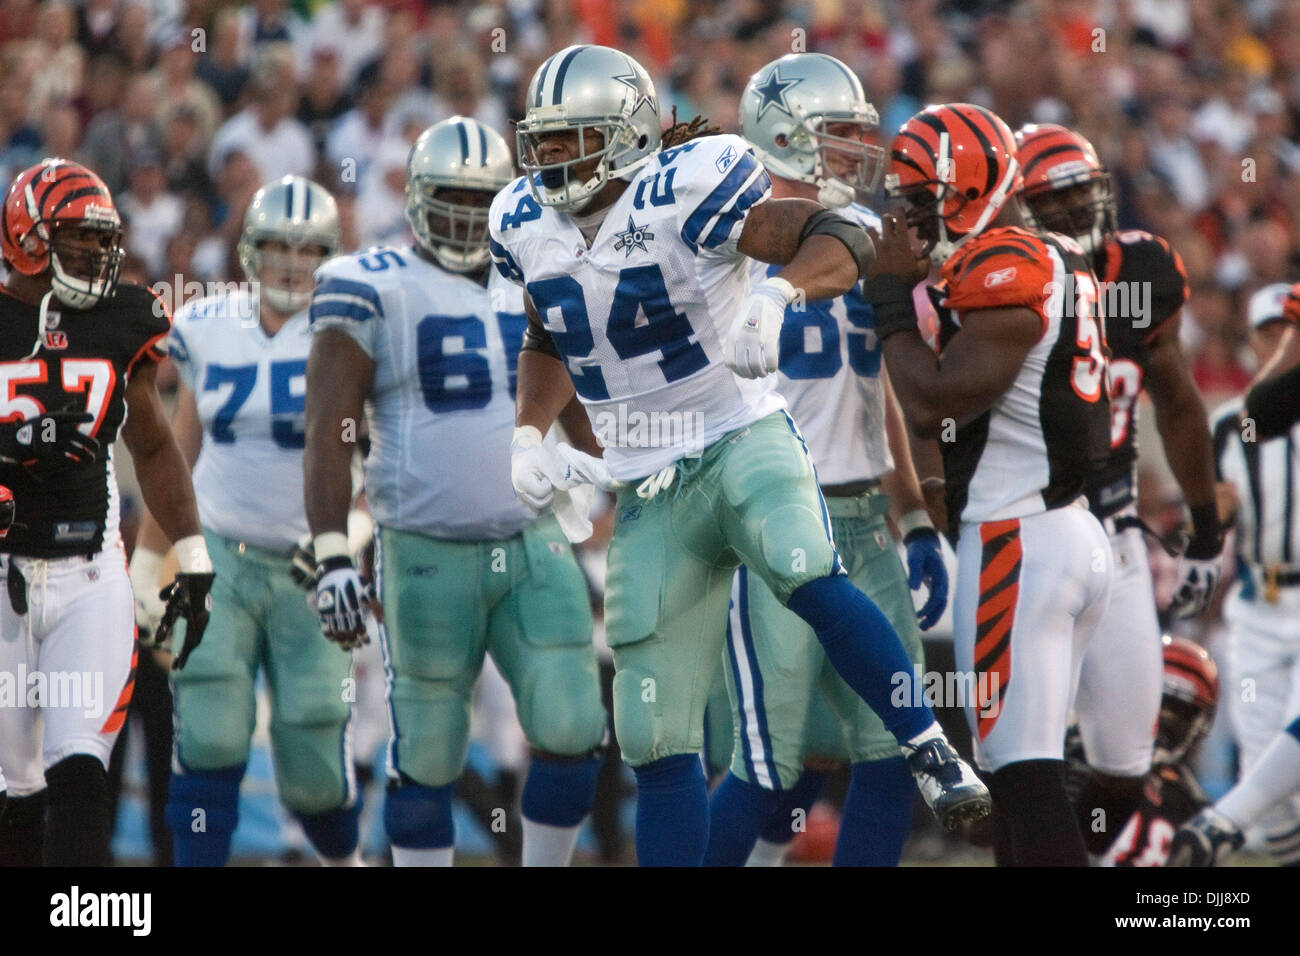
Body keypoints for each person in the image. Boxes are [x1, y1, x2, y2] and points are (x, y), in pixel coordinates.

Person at [490, 44, 988, 867]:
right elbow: (549, 328)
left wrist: (777, 291)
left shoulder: (687, 186)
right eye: (538, 141)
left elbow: (841, 228)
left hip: (738, 437)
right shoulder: (522, 222)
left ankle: (927, 743)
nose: (544, 158)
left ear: (620, 137)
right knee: (654, 733)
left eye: (564, 139)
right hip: (649, 486)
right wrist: (529, 427)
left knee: (805, 567)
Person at [304, 116, 608, 867]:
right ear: (414, 197)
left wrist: (633, 489)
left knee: (575, 732)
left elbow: (578, 407)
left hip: (532, 537)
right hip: (423, 549)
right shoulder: (368, 284)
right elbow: (329, 430)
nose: (471, 217)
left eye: (484, 199)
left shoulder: (536, 272)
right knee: (428, 756)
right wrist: (333, 553)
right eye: (453, 198)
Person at [704, 52, 946, 868]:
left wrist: (910, 513)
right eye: (840, 135)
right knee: (769, 762)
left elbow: (872, 393)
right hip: (773, 516)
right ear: (786, 134)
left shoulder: (866, 236)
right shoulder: (728, 235)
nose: (856, 152)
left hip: (863, 521)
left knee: (894, 751)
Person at [867, 103, 1114, 866]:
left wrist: (885, 297)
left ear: (964, 188)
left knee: (1025, 780)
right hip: (1057, 533)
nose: (906, 215)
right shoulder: (1055, 254)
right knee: (1019, 779)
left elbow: (935, 396)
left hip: (1017, 538)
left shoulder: (1003, 263)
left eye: (918, 198)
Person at [130, 175, 364, 866]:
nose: (291, 261)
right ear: (250, 251)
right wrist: (148, 564)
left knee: (314, 748)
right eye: (277, 245)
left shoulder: (352, 328)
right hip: (219, 561)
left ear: (330, 252)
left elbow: (386, 463)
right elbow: (176, 453)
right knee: (209, 732)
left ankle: (345, 860)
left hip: (309, 564)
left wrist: (346, 542)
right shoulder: (206, 324)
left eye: (307, 247)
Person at [1014, 123, 1223, 857]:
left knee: (1125, 765)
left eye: (1081, 192)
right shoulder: (1004, 276)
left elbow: (1177, 399)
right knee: (1017, 757)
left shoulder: (1140, 270)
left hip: (1118, 529)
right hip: (1024, 525)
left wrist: (1204, 525)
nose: (1074, 211)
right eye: (1053, 198)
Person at [0, 158, 213, 866]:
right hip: (4, 575)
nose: (94, 256)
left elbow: (153, 446)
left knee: (80, 773)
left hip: (90, 572)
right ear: (28, 236)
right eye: (78, 240)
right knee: (14, 790)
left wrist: (194, 554)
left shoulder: (122, 321)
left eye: (101, 241)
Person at [1179, 283, 1300, 867]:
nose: (1284, 342)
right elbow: (1213, 508)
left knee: (1292, 743)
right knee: (1261, 766)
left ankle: (1218, 825)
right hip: (1258, 601)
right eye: (1271, 331)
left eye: (1291, 331)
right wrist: (1209, 517)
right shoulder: (1232, 424)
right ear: (1252, 339)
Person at [1066, 635, 1219, 866]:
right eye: (1160, 704)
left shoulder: (1191, 803)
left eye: (1179, 712)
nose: (1166, 721)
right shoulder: (1080, 755)